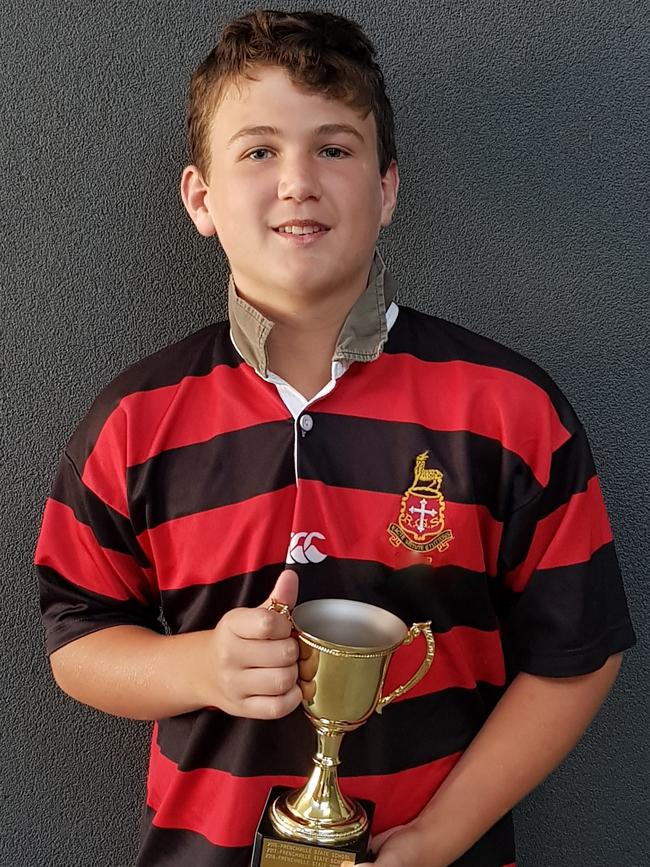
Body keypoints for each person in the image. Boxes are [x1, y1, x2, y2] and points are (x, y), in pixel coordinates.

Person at [35, 9, 636, 867]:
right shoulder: (134, 420)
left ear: (387, 188)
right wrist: (204, 668)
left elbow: (576, 654)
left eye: (334, 148)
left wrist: (442, 834)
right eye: (258, 151)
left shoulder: (509, 407)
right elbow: (77, 640)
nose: (297, 181)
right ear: (201, 199)